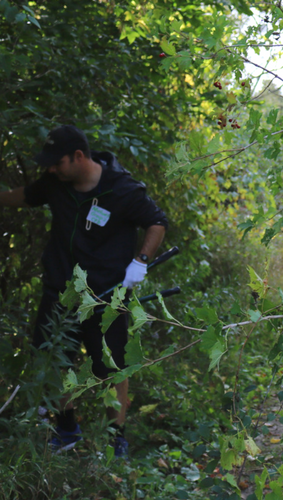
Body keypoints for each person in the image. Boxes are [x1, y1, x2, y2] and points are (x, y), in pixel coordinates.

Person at [0, 125, 167, 457]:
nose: (50, 168)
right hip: (59, 290)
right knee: (52, 360)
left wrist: (141, 261)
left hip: (106, 295)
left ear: (78, 156)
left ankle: (115, 437)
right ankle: (66, 429)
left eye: (56, 162)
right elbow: (25, 196)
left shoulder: (122, 189)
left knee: (112, 367)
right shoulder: (55, 183)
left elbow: (156, 222)